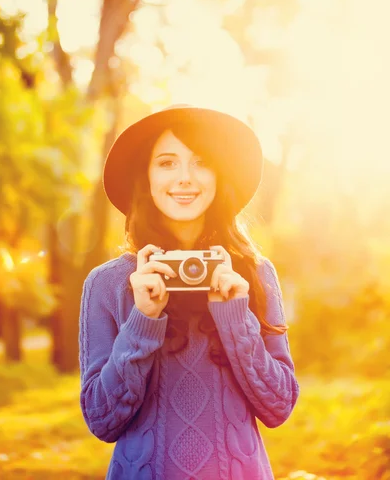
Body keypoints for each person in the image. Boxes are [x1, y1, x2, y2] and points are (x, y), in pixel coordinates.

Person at [79, 104, 299, 480]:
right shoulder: (107, 284)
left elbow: (278, 407)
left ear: (218, 175)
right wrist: (142, 321)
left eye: (200, 162)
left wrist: (235, 317)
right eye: (166, 163)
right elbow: (101, 420)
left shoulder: (254, 274)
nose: (184, 178)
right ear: (145, 177)